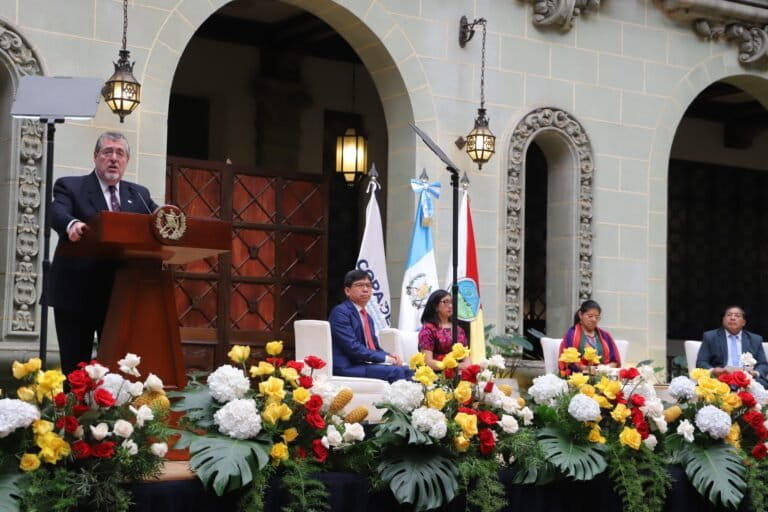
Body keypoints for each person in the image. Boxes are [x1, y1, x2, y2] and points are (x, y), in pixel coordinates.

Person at [45, 132, 158, 375]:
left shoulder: (139, 195)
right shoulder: (71, 186)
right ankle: (73, 413)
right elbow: (57, 212)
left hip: (119, 297)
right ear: (96, 157)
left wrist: (173, 222)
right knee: (76, 370)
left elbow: (159, 220)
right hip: (77, 295)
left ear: (127, 160)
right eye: (107, 152)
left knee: (118, 371)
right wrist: (71, 224)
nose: (113, 158)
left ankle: (112, 413)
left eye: (120, 153)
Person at [329, 269, 412, 382]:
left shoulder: (367, 317)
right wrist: (386, 359)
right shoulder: (340, 312)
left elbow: (374, 347)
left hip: (363, 363)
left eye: (368, 285)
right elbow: (353, 347)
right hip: (348, 366)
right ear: (347, 291)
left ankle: (416, 400)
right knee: (395, 371)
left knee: (408, 370)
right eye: (359, 285)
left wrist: (389, 355)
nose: (365, 289)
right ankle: (397, 400)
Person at [696, 305, 768, 387]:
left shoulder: (755, 339)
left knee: (761, 386)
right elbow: (701, 362)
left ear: (743, 322)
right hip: (720, 379)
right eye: (729, 315)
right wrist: (713, 370)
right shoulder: (710, 337)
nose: (732, 318)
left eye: (737, 316)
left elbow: (763, 364)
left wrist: (755, 373)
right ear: (723, 320)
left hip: (748, 380)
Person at [558, 299, 621, 374]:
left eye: (597, 317)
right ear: (581, 315)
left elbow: (615, 361)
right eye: (590, 316)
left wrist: (604, 369)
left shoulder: (605, 336)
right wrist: (586, 369)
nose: (594, 320)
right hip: (578, 378)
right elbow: (568, 360)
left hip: (602, 377)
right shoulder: (571, 334)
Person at [418, 290, 470, 370]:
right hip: (438, 374)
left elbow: (467, 360)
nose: (450, 306)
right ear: (435, 306)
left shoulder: (459, 329)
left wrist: (463, 366)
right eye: (445, 302)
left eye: (451, 302)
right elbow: (428, 361)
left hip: (460, 372)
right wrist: (453, 367)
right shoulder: (428, 329)